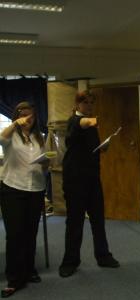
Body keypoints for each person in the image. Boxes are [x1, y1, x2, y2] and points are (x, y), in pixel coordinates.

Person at [58, 90, 119, 278]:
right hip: (75, 181)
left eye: (92, 103)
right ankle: (70, 262)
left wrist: (103, 147)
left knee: (98, 220)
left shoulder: (91, 126)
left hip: (92, 179)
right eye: (86, 103)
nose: (90, 106)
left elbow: (88, 149)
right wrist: (92, 120)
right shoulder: (75, 121)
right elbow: (82, 123)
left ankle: (103, 256)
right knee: (75, 222)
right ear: (77, 105)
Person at [0, 102, 48, 298]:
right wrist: (16, 124)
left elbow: (44, 166)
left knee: (30, 232)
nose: (28, 120)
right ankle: (14, 277)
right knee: (15, 234)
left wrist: (46, 163)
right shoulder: (11, 136)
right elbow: (1, 138)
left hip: (35, 189)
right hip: (13, 189)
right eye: (24, 116)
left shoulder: (38, 138)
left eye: (31, 117)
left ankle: (29, 270)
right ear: (17, 117)